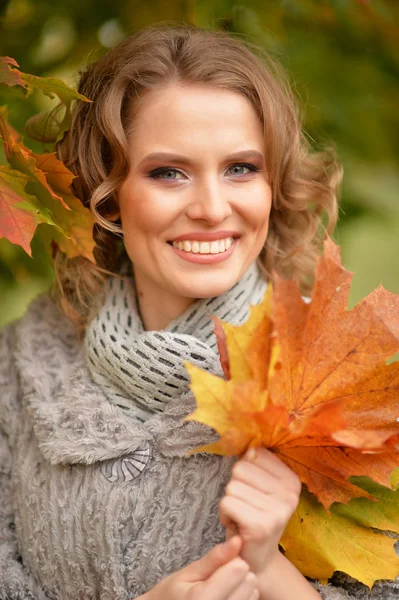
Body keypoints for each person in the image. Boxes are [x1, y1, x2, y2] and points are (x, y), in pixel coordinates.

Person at [0, 23, 394, 600]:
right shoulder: (23, 360)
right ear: (106, 191)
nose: (212, 208)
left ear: (274, 182)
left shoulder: (348, 372)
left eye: (241, 168)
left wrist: (270, 570)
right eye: (168, 172)